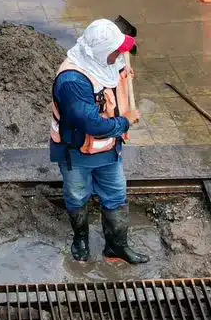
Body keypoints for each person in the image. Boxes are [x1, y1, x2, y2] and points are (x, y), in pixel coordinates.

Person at [48, 19, 148, 265]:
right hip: (77, 152)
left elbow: (126, 49)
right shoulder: (73, 81)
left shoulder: (107, 62)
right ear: (102, 53)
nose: (120, 55)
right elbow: (91, 125)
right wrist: (124, 122)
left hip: (108, 150)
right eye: (116, 51)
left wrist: (125, 50)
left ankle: (116, 247)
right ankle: (80, 240)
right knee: (77, 195)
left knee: (116, 195)